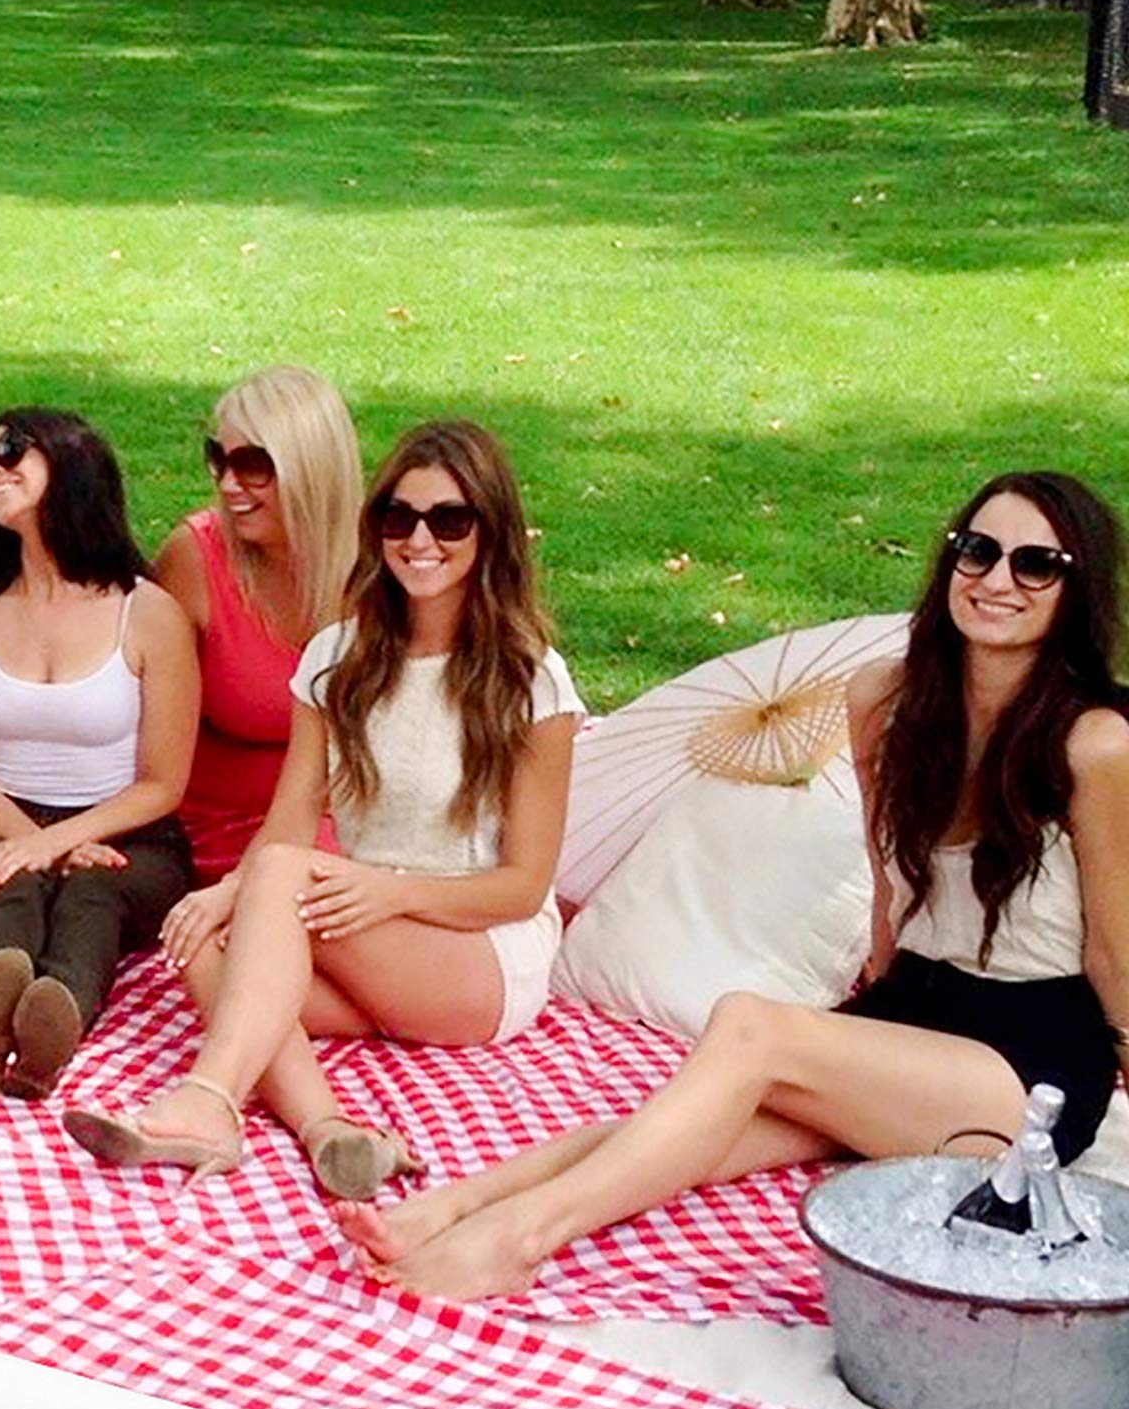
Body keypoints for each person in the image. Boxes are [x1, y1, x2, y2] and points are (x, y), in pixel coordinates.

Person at [346, 473, 1129, 1300]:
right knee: (685, 1128)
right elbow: (887, 884)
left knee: (752, 1031)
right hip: (916, 1013)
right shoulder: (884, 703)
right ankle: (453, 1205)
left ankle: (520, 1239)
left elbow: (1115, 945)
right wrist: (874, 999)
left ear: (1074, 591)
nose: (997, 581)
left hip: (1029, 1063)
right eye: (978, 551)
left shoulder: (1095, 742)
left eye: (1036, 564)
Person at [66, 420, 581, 1195]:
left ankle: (209, 1099)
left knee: (272, 885)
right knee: (201, 943)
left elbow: (524, 886)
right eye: (398, 517)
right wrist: (222, 895)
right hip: (368, 927)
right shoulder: (338, 659)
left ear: (490, 534)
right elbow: (290, 822)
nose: (419, 540)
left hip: (479, 950)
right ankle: (330, 1130)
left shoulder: (530, 680)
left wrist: (388, 890)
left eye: (449, 520)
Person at [0, 411, 200, 1102]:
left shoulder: (149, 614)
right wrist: (33, 843)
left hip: (128, 838)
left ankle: (56, 1018)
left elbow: (164, 783)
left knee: (93, 893)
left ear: (74, 463)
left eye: (12, 451)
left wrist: (70, 840)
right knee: (5, 882)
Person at [155, 365, 362, 877]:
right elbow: (147, 733)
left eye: (252, 466)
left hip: (352, 821)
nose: (228, 484)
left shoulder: (383, 563)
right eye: (219, 459)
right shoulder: (195, 559)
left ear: (310, 468)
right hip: (220, 827)